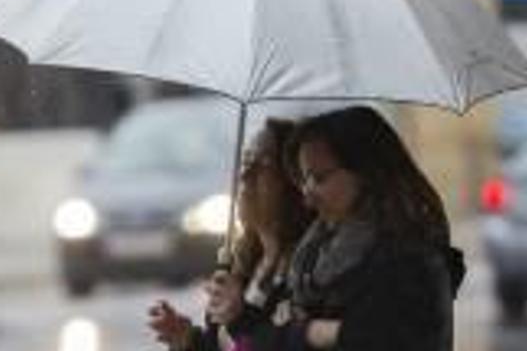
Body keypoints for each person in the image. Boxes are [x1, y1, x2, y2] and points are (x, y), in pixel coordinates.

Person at [280, 105, 466, 351]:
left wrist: (310, 333)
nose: (307, 197)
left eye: (319, 178)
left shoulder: (409, 258)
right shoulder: (315, 250)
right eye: (304, 180)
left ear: (366, 171)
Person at [147, 118, 313, 351]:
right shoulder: (243, 264)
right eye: (245, 162)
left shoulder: (307, 271)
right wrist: (189, 341)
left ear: (294, 182)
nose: (245, 176)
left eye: (263, 165)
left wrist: (240, 318)